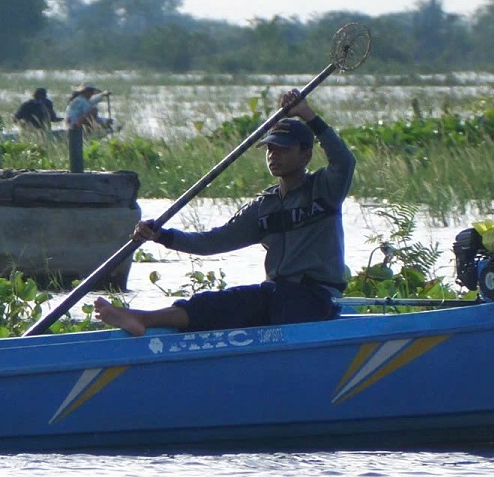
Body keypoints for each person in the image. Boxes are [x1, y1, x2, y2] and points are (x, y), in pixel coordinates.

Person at [92, 89, 354, 337]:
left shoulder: (325, 189)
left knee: (278, 304)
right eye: (271, 149)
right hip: (275, 293)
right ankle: (140, 318)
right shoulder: (263, 206)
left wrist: (308, 116)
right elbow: (212, 242)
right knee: (211, 303)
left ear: (306, 156)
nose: (274, 156)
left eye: (284, 149)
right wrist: (162, 236)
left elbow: (344, 161)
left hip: (316, 296)